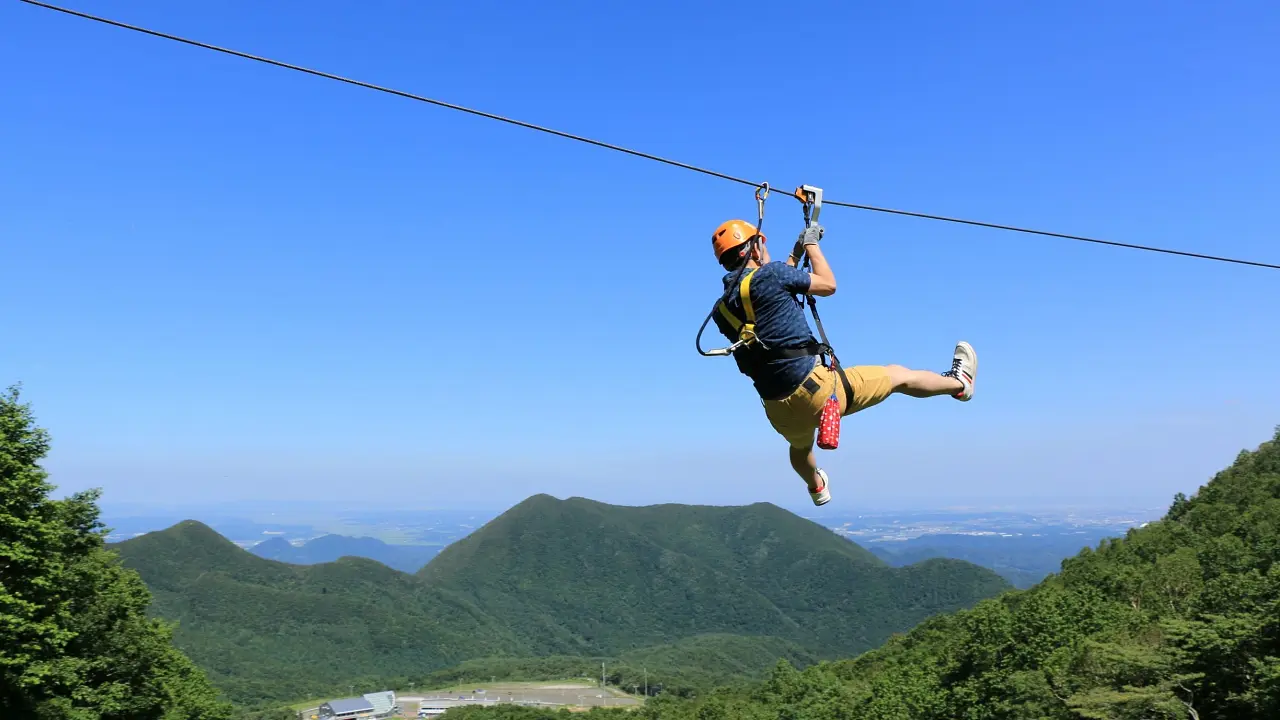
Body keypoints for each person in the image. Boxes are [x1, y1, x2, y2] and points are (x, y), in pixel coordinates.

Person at [709, 218, 977, 506]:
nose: (765, 246)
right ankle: (959, 384)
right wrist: (811, 244)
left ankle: (817, 488)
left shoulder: (722, 310)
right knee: (897, 375)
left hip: (778, 408)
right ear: (751, 248)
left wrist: (797, 252)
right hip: (818, 391)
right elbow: (827, 284)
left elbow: (765, 293)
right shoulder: (772, 276)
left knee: (799, 449)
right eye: (761, 242)